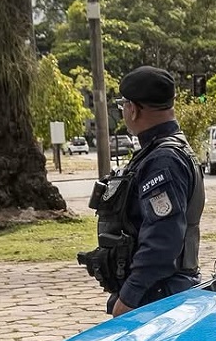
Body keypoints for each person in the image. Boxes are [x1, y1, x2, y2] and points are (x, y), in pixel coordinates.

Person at [77, 66, 206, 316]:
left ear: (133, 109)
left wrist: (130, 297)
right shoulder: (162, 152)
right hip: (162, 291)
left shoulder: (163, 160)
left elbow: (163, 239)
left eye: (123, 105)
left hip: (158, 296)